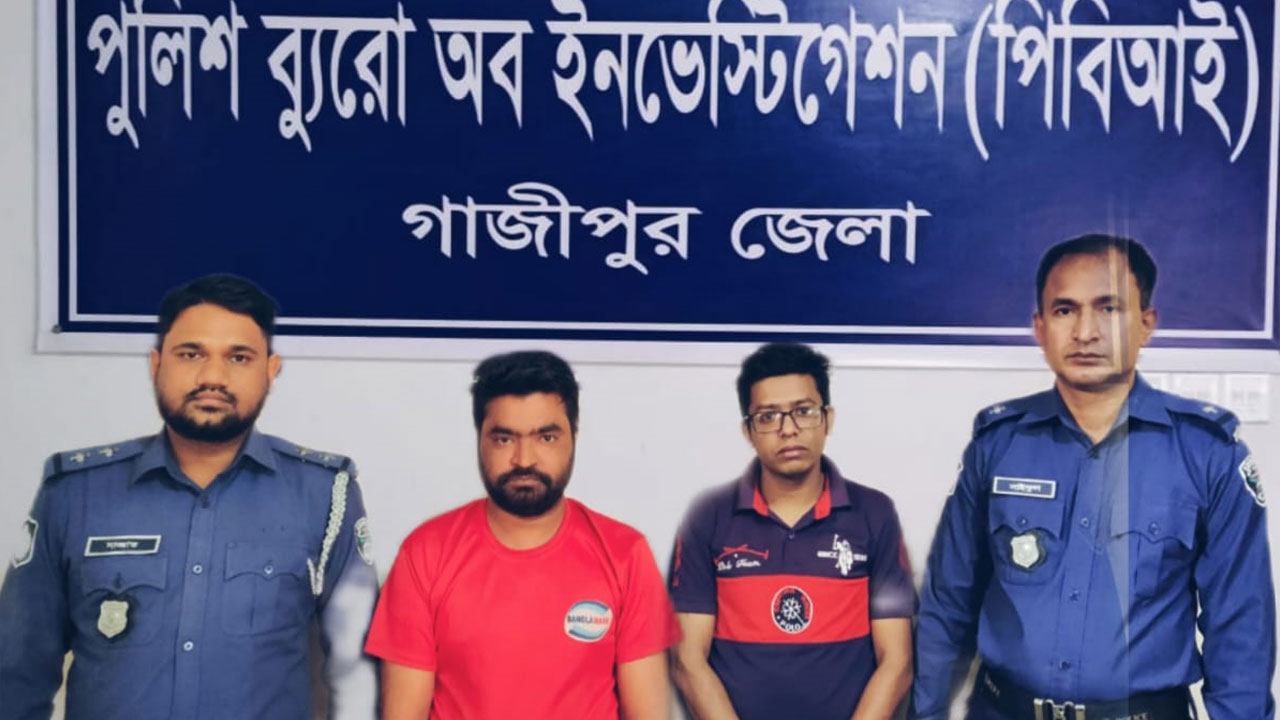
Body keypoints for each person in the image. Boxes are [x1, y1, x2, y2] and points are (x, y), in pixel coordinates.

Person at [912, 234, 1276, 719]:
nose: (1085, 332)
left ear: (1146, 323)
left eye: (1109, 309)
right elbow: (948, 603)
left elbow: (1241, 627)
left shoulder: (1208, 454)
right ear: (1040, 327)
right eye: (1065, 310)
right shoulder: (998, 445)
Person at [0, 274, 379, 720]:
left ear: (270, 370)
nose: (212, 377)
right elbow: (17, 672)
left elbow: (356, 675)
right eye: (191, 354)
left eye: (238, 357)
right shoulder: (75, 493)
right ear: (156, 364)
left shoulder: (325, 494)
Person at [364, 350, 676, 720]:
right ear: (480, 439)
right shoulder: (425, 554)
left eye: (546, 437)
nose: (524, 459)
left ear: (573, 437)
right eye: (504, 439)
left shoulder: (625, 554)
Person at [668, 342, 915, 720]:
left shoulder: (874, 513)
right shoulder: (707, 516)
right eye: (768, 416)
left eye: (804, 411)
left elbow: (897, 662)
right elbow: (687, 660)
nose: (788, 429)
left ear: (828, 419)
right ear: (748, 431)